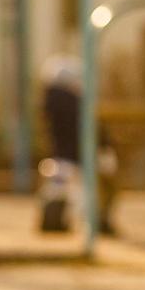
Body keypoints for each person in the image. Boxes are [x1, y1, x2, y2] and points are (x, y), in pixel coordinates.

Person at [37, 54, 118, 235]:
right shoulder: (75, 105)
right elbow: (91, 132)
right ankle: (96, 222)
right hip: (77, 160)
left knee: (62, 191)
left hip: (63, 158)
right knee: (84, 193)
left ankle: (62, 222)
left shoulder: (53, 103)